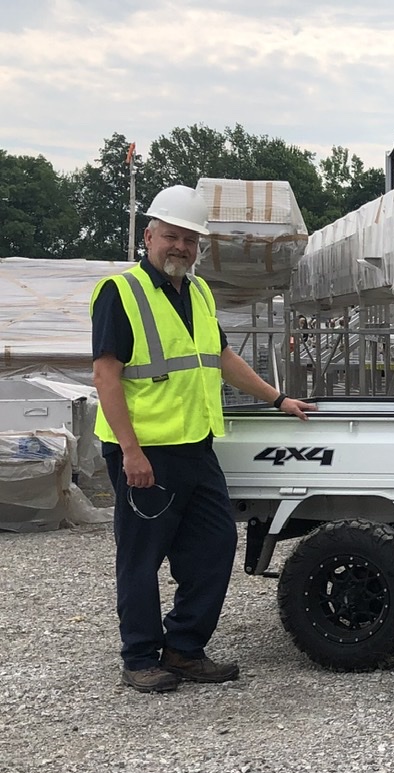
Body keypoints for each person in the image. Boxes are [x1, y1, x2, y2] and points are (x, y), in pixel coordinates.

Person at [91, 185, 318, 694]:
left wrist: (277, 399)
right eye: (172, 236)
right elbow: (106, 376)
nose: (181, 247)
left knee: (215, 547)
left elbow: (221, 357)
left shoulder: (196, 291)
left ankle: (184, 649)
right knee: (141, 558)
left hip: (195, 445)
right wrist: (131, 452)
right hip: (146, 453)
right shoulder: (120, 292)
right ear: (149, 237)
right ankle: (139, 657)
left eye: (191, 240)